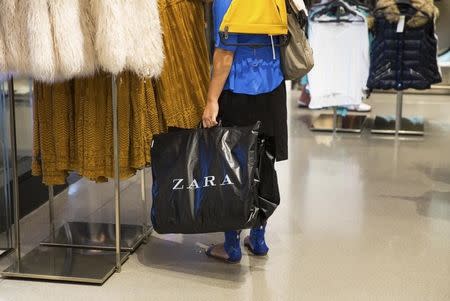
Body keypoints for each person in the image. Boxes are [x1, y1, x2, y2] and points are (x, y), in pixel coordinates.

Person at [202, 0, 288, 263]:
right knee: (264, 164)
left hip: (238, 92)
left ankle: (231, 245)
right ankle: (259, 239)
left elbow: (225, 55)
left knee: (235, 168)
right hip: (272, 90)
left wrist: (211, 100)